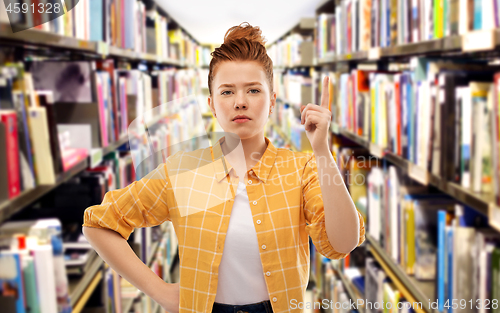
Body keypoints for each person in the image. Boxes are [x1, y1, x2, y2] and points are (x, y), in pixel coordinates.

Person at [82, 22, 365, 313]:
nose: (240, 102)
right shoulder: (182, 171)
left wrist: (321, 152)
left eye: (253, 90)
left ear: (272, 103)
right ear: (212, 105)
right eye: (227, 92)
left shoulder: (301, 169)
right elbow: (99, 224)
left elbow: (343, 243)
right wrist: (161, 292)